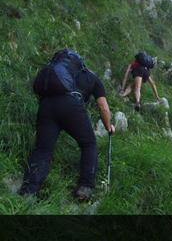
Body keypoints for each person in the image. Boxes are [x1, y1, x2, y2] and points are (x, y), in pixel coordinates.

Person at [20, 49, 115, 201]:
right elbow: (103, 107)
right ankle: (85, 188)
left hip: (46, 105)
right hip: (70, 106)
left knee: (43, 150)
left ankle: (28, 191)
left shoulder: (58, 73)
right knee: (88, 144)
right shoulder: (92, 78)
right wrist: (108, 126)